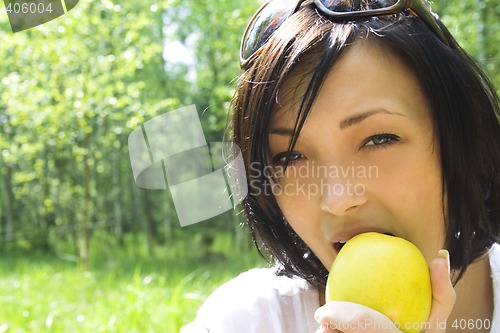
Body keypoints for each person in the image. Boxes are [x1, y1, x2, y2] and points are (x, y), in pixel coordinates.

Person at [180, 0, 500, 332]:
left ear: (460, 140)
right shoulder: (247, 321)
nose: (338, 199)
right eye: (289, 157)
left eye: (378, 139)